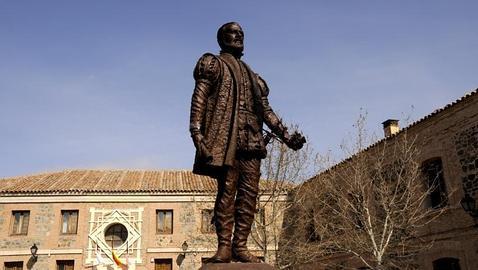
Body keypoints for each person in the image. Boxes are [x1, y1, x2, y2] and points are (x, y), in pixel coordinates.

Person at [189, 22, 305, 263]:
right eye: (233, 33)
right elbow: (199, 97)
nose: (239, 36)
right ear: (222, 38)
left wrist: (287, 136)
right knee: (227, 191)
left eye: (241, 34)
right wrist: (196, 132)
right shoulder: (214, 64)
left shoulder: (253, 75)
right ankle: (224, 247)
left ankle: (240, 246)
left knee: (249, 196)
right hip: (227, 138)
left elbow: (266, 111)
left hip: (252, 141)